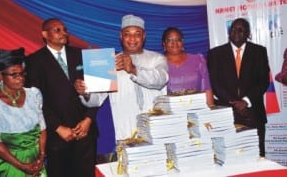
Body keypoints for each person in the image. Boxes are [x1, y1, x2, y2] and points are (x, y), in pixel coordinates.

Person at [75, 14, 168, 142]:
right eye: (127, 34)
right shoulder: (108, 62)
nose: (132, 39)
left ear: (144, 36)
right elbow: (95, 101)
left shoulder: (156, 58)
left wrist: (133, 69)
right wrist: (85, 93)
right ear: (121, 36)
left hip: (159, 128)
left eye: (137, 34)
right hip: (127, 133)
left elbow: (161, 80)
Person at [25, 18, 99, 177]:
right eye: (57, 30)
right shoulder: (34, 61)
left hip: (85, 133)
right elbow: (34, 101)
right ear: (44, 34)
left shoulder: (82, 55)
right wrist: (57, 127)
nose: (63, 33)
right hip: (57, 136)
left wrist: (88, 120)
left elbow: (98, 91)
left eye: (64, 29)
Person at [207, 18, 270, 157]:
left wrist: (246, 101)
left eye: (240, 30)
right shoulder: (215, 53)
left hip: (253, 113)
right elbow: (214, 82)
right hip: (226, 113)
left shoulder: (259, 52)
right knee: (230, 157)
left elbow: (263, 81)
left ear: (247, 33)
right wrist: (235, 103)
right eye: (233, 29)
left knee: (257, 156)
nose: (236, 32)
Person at [0, 48, 47, 177]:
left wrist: (41, 156)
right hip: (8, 164)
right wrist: (21, 166)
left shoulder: (34, 94)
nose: (20, 78)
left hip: (36, 160)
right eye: (14, 75)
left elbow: (42, 128)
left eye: (22, 73)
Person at [161, 27, 214, 107]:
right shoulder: (158, 63)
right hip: (170, 112)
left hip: (197, 110)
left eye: (178, 39)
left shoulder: (198, 60)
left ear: (182, 42)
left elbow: (207, 88)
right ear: (164, 44)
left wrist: (211, 110)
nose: (174, 43)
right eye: (170, 40)